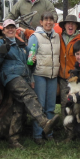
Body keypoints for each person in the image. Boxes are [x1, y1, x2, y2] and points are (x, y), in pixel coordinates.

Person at [0, 19, 60, 149]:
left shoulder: (21, 46)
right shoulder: (1, 42)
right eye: (7, 28)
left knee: (19, 108)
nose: (10, 30)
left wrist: (32, 62)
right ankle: (44, 122)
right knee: (28, 95)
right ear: (4, 30)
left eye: (12, 27)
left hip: (23, 77)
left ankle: (13, 140)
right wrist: (1, 51)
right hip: (10, 76)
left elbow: (28, 65)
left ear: (16, 30)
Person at [27, 11, 60, 145]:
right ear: (41, 22)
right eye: (46, 20)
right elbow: (29, 59)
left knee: (51, 106)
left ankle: (49, 133)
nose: (48, 22)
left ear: (54, 22)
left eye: (51, 20)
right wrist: (31, 78)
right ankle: (37, 134)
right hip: (39, 75)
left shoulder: (57, 36)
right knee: (40, 106)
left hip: (53, 75)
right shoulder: (35, 37)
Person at [58, 14, 80, 143]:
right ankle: (69, 134)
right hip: (63, 77)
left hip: (77, 78)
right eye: (68, 23)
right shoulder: (59, 38)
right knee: (65, 105)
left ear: (76, 26)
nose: (70, 25)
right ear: (64, 26)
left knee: (78, 106)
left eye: (73, 23)